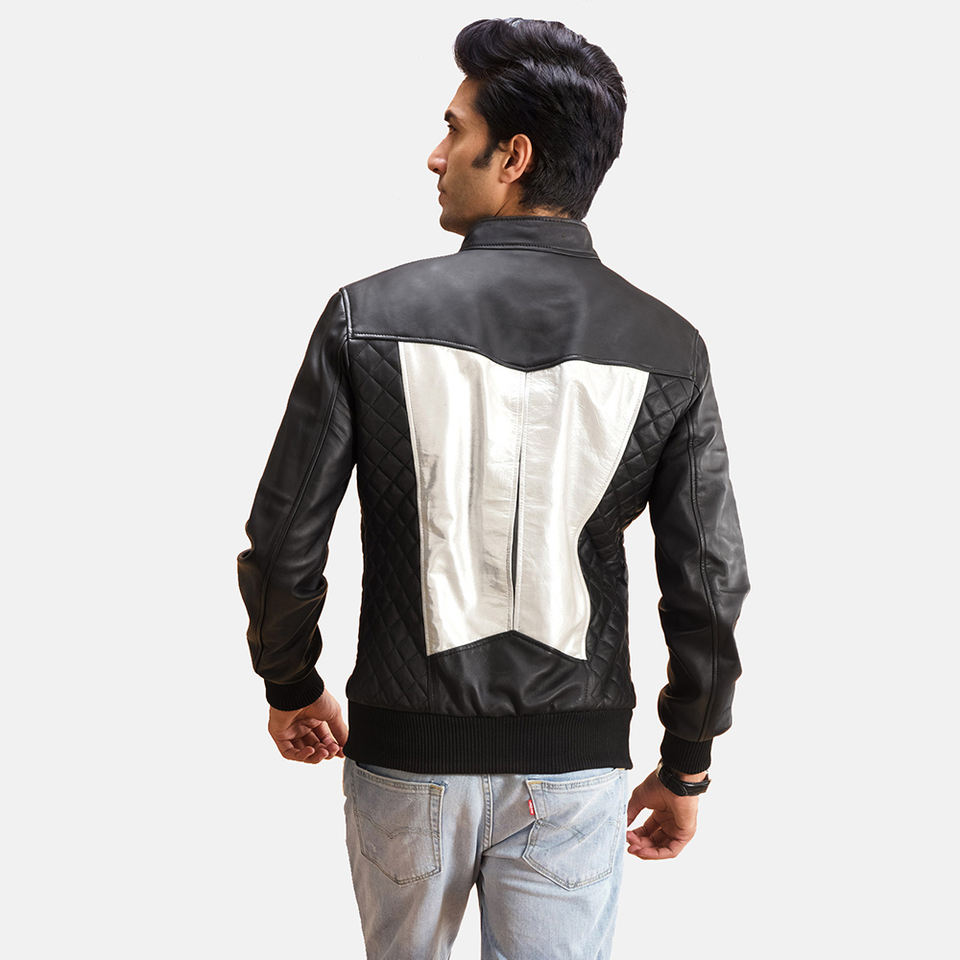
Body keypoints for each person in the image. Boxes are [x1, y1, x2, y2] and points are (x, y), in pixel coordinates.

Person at [237, 16, 750, 960]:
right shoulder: (670, 347)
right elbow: (710, 584)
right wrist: (687, 763)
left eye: (454, 129)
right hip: (574, 770)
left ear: (513, 156)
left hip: (405, 760)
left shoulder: (365, 317)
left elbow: (284, 544)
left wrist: (292, 682)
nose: (435, 156)